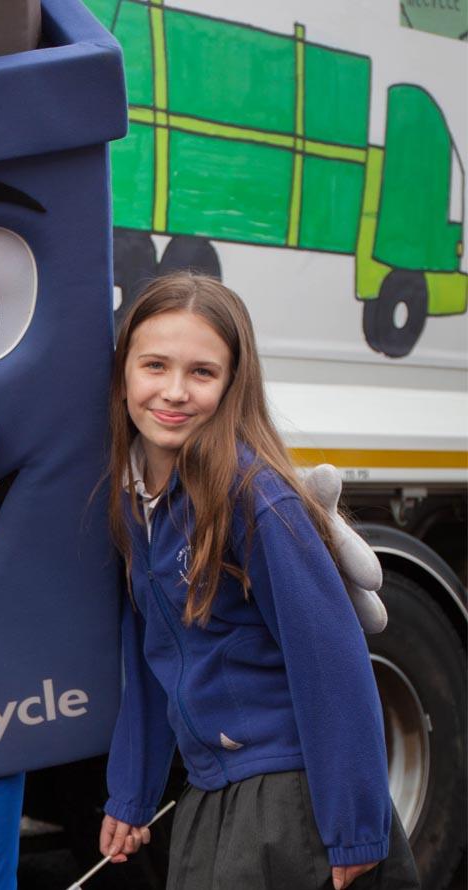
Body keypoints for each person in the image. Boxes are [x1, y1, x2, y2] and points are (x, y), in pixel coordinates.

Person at [97, 273, 418, 890]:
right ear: (123, 376)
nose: (173, 391)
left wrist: (353, 825)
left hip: (285, 799)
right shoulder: (136, 504)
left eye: (202, 373)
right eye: (155, 366)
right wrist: (130, 796)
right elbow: (148, 661)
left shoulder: (255, 499)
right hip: (210, 790)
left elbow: (330, 660)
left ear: (233, 385)